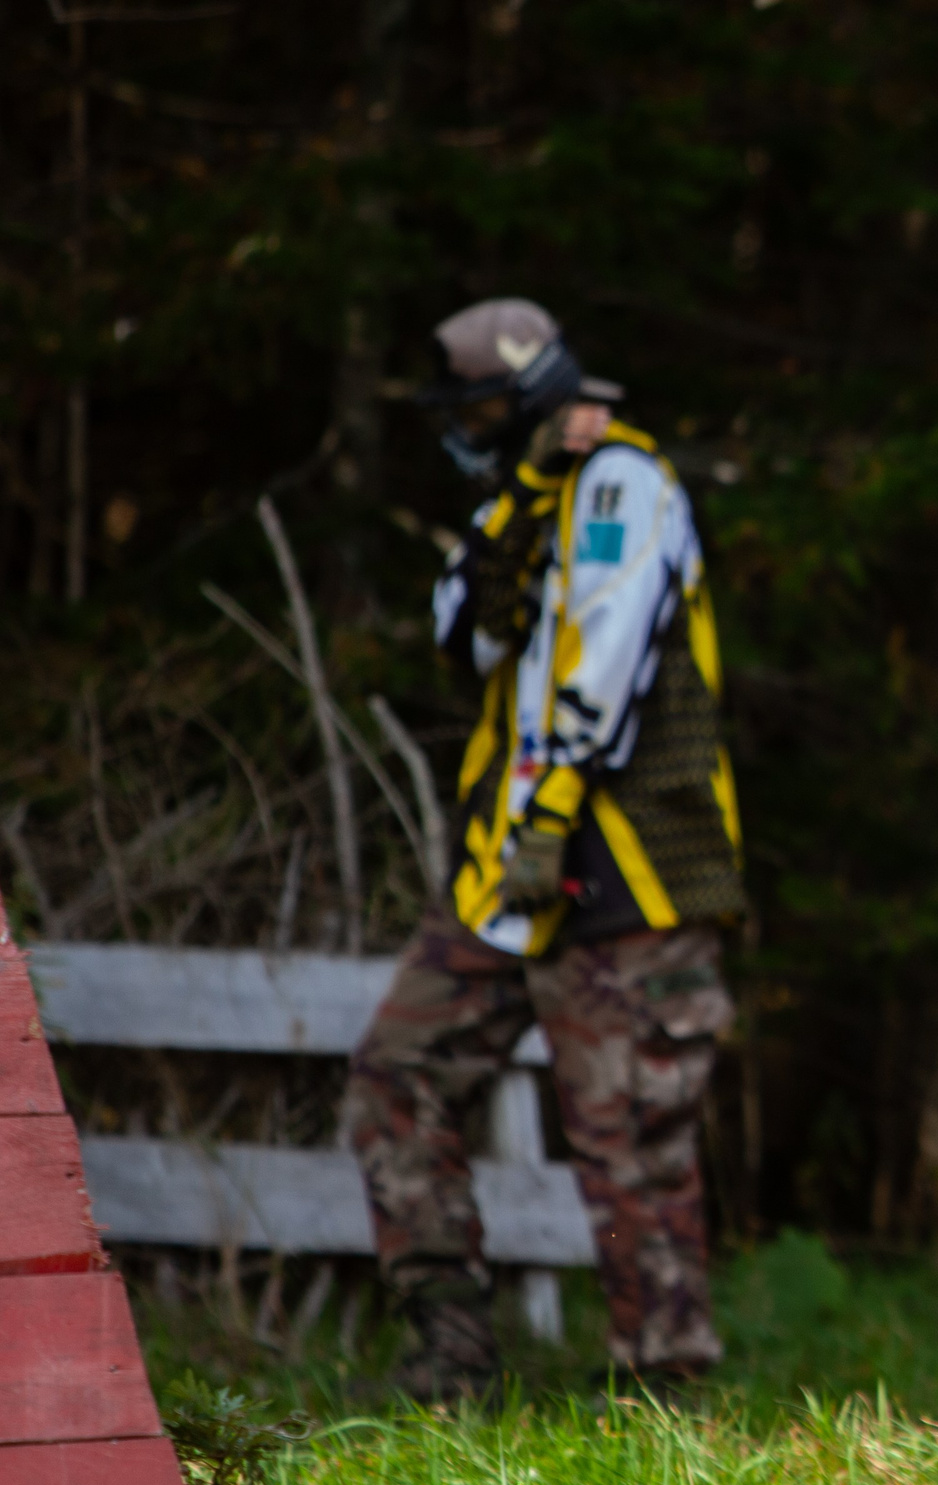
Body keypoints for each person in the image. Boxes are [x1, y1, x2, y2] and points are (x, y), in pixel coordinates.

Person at [342, 298, 746, 1400]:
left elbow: (600, 671)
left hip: (625, 873)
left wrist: (553, 819)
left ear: (528, 397)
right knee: (396, 1072)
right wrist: (516, 497)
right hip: (499, 875)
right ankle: (450, 1359)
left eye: (476, 406)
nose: (460, 427)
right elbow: (465, 636)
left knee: (630, 1138)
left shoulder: (627, 483)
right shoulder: (519, 499)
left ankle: (667, 1395)